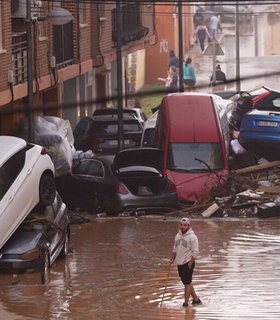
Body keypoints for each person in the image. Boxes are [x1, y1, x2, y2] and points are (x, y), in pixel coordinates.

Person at [170, 217, 201, 308]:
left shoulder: (192, 237)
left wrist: (190, 264)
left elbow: (196, 252)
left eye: (184, 225)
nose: (182, 227)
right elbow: (174, 249)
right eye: (181, 225)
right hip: (179, 263)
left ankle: (186, 303)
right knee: (186, 282)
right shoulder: (177, 236)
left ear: (188, 226)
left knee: (187, 283)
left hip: (188, 262)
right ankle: (196, 300)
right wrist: (172, 259)